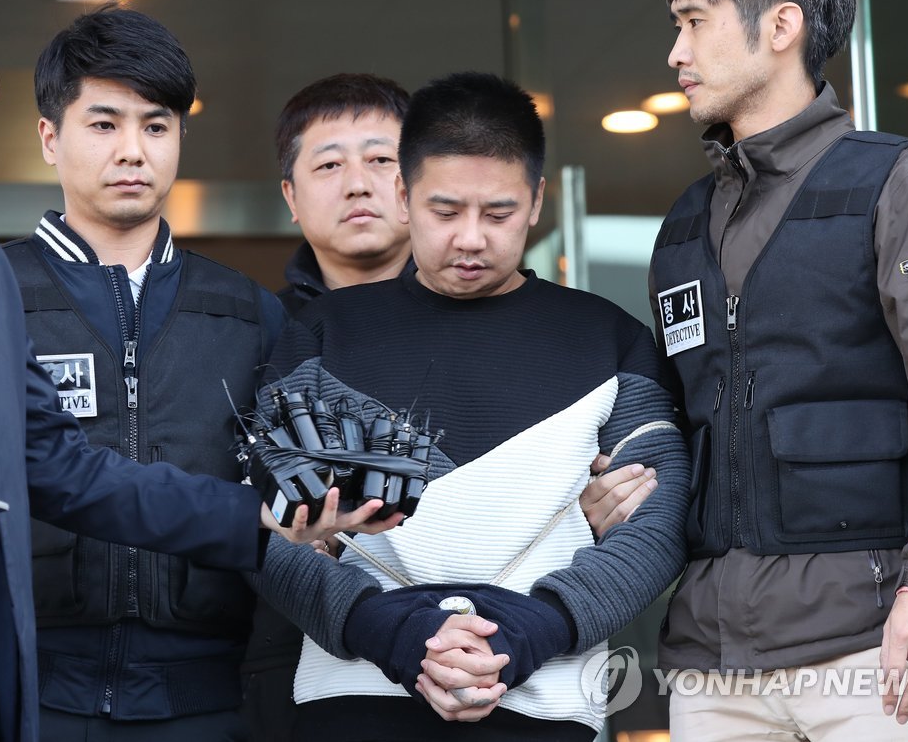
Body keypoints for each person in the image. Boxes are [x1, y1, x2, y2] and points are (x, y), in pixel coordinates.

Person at [249, 71, 691, 741]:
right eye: (446, 211)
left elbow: (658, 519)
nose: (471, 239)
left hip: (545, 704)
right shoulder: (320, 335)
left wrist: (535, 627)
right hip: (353, 700)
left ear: (537, 200)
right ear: (405, 197)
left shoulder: (609, 338)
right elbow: (266, 524)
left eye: (499, 213)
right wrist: (391, 630)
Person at [0, 0, 279, 739]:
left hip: (208, 699)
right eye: (103, 124)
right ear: (49, 138)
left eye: (156, 125)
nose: (132, 150)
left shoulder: (250, 313)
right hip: (26, 688)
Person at [653, 0, 908, 738]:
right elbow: (680, 433)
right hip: (710, 670)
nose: (676, 53)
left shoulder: (903, 184)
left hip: (879, 649)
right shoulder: (683, 224)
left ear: (782, 26)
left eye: (695, 21)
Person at [274, 73, 415, 315]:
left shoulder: (475, 320)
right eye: (329, 165)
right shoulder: (266, 330)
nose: (358, 185)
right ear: (291, 198)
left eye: (381, 159)